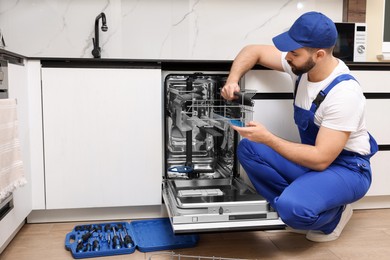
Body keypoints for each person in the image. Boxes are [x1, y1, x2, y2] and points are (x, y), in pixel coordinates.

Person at [221, 11, 378, 242]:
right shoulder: (303, 68)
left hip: (348, 169)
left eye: (294, 53)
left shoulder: (344, 94)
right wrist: (232, 79)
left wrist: (269, 138)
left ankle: (334, 214)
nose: (288, 57)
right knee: (249, 149)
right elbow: (252, 50)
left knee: (293, 208)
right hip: (315, 163)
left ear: (320, 54)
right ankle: (308, 199)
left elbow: (321, 158)